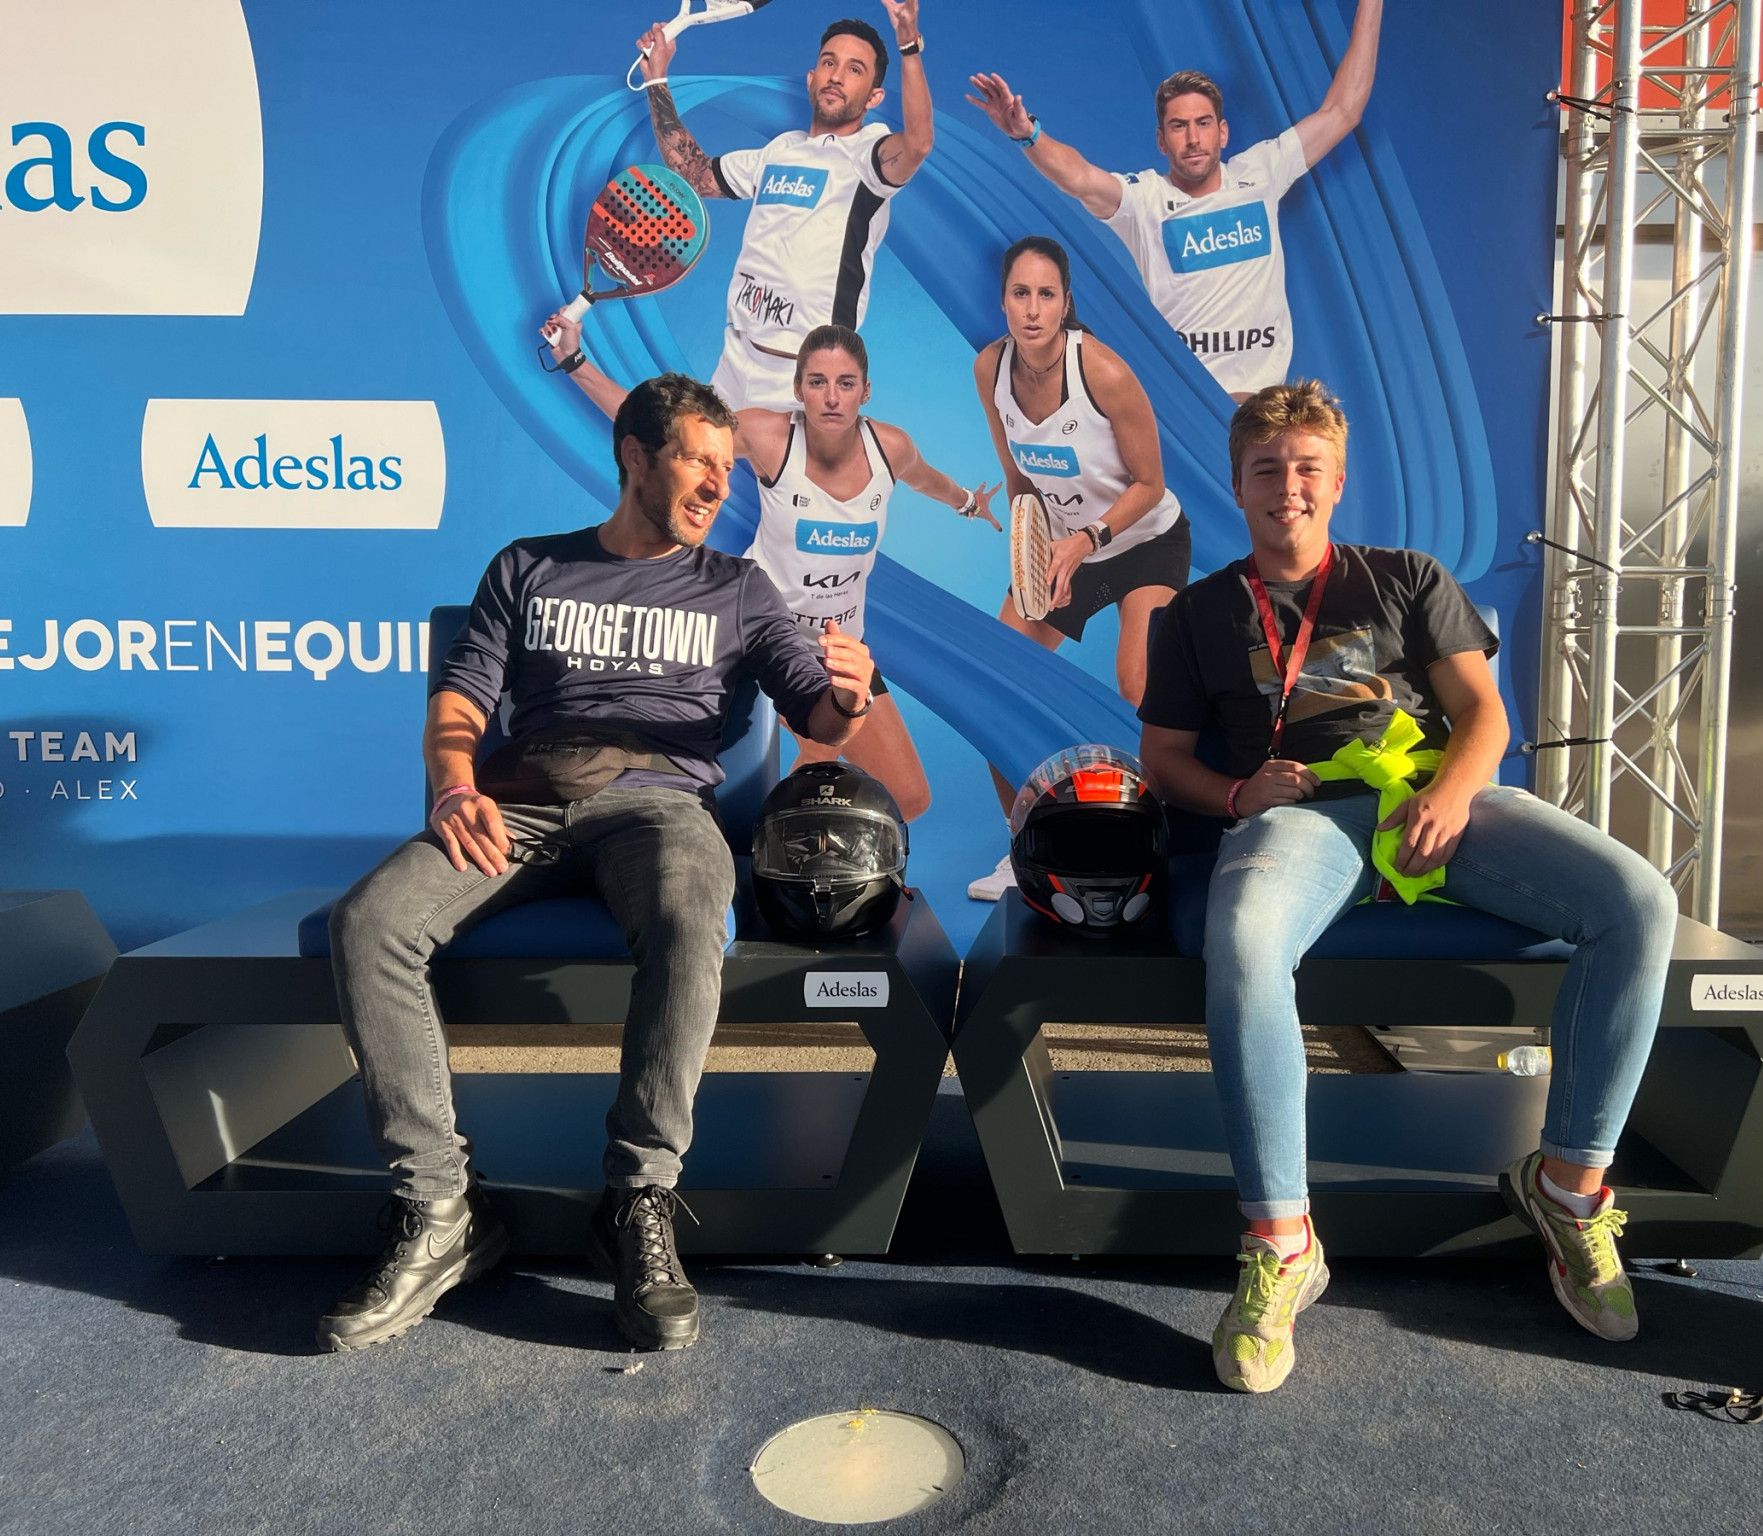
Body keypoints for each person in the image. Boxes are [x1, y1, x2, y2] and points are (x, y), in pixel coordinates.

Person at [1135, 380, 1678, 1393]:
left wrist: (1451, 794)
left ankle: (1568, 1189)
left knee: (1638, 904)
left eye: (1307, 468)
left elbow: (1483, 715)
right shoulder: (1197, 613)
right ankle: (1283, 1242)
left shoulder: (1406, 576)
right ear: (1237, 484)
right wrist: (1237, 794)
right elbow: (1162, 757)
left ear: (1337, 481)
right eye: (1266, 469)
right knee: (1244, 943)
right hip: (1301, 819)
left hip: (1437, 798)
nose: (1287, 487)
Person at [319, 374, 879, 1355]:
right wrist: (453, 789)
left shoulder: (737, 587)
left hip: (657, 808)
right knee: (368, 922)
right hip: (517, 806)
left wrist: (850, 694)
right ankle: (442, 1210)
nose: (718, 484)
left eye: (728, 467)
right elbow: (460, 700)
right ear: (635, 456)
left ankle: (637, 1202)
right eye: (697, 460)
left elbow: (817, 713)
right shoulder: (528, 566)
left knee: (690, 917)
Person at [544, 313, 998, 821]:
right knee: (718, 787)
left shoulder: (891, 448)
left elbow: (929, 480)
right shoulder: (770, 436)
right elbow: (664, 429)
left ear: (865, 391)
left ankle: (792, 852)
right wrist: (574, 360)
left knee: (906, 797)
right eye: (818, 382)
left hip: (836, 650)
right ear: (798, 389)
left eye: (846, 384)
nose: (831, 397)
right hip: (759, 638)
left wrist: (969, 504)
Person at [965, 0, 1383, 399]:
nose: (1194, 138)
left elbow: (1343, 110)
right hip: (1194, 409)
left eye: (1203, 124)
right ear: (1161, 140)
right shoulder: (1144, 200)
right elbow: (1080, 178)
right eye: (1179, 127)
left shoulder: (1261, 172)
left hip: (1263, 408)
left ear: (1223, 133)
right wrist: (1028, 134)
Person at [966, 236, 1191, 901]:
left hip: (1144, 540)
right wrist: (1032, 549)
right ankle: (1023, 846)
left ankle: (1167, 839)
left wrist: (1087, 539)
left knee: (1139, 682)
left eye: (1046, 294)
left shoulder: (1104, 372)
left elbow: (1150, 483)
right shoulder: (989, 369)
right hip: (1062, 548)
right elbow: (1018, 479)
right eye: (1020, 293)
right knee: (996, 683)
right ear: (1003, 301)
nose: (1032, 309)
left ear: (1065, 303)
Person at [631, 2, 933, 411]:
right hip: (735, 360)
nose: (836, 76)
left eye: (855, 70)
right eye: (829, 62)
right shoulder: (779, 151)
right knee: (682, 451)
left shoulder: (868, 156)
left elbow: (918, 144)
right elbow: (695, 174)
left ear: (874, 96)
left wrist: (908, 47)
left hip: (804, 377)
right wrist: (656, 80)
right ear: (811, 78)